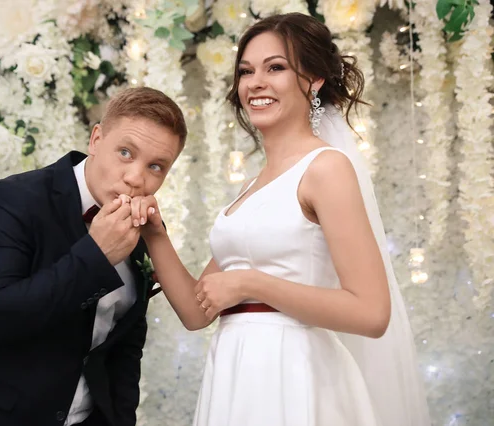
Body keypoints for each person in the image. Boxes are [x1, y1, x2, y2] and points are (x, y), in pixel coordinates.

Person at [128, 13, 430, 426]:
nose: (255, 83)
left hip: (296, 376)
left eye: (276, 67)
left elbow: (372, 313)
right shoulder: (251, 188)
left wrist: (253, 283)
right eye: (246, 71)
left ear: (315, 80)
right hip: (236, 376)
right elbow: (197, 312)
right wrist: (154, 232)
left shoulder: (326, 168)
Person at [0, 87, 187, 426]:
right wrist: (96, 256)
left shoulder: (144, 227)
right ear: (96, 140)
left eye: (156, 166)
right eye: (125, 152)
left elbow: (124, 347)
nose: (136, 178)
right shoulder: (13, 199)